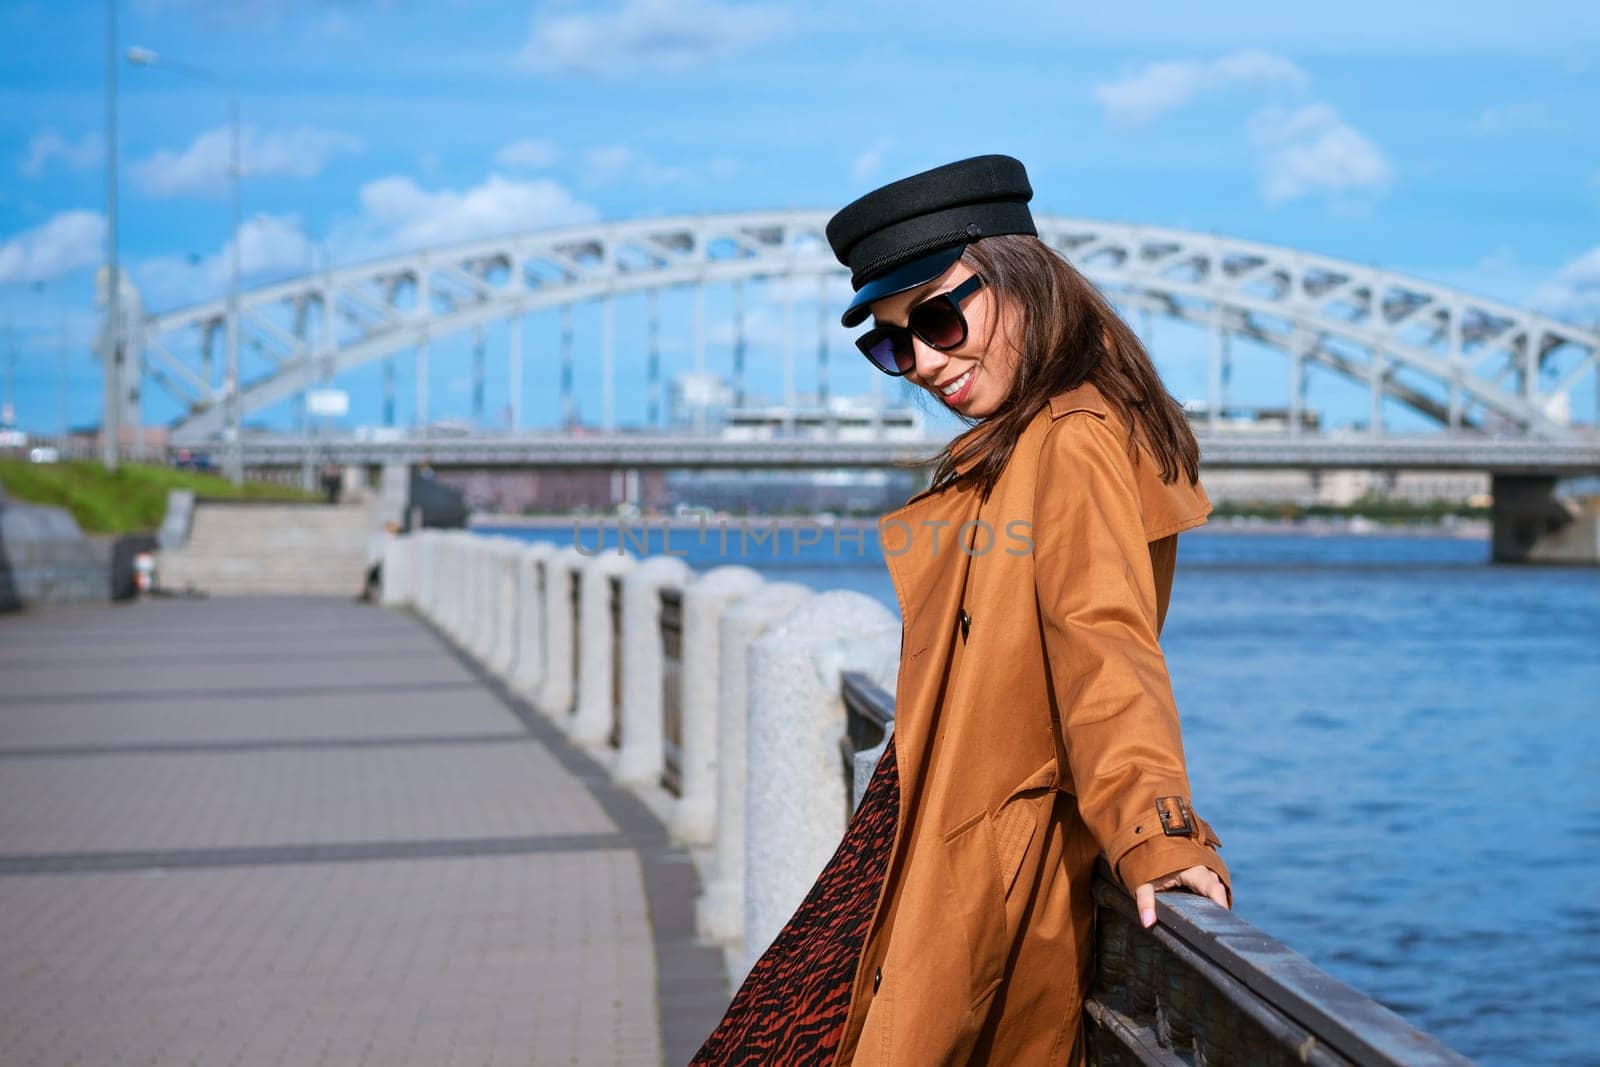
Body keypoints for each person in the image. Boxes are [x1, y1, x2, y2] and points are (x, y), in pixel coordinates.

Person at [690, 155, 1231, 1066]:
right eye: (894, 345)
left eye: (938, 318)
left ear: (1021, 278)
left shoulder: (1071, 439)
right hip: (915, 845)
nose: (925, 363)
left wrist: (1155, 830)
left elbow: (1103, 642)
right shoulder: (1026, 438)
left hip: (973, 866)